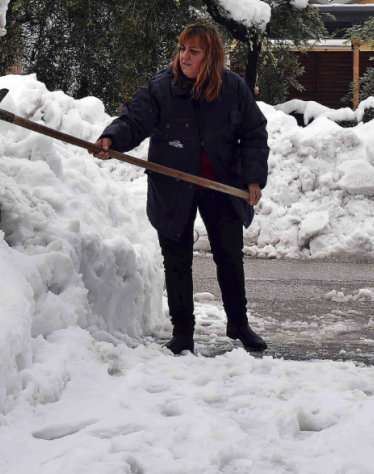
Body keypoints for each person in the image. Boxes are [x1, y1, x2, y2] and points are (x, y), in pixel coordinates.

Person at [90, 24, 269, 355]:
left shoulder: (233, 88)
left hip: (222, 184)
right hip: (173, 184)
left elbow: (254, 133)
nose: (184, 56)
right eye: (183, 49)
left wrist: (253, 178)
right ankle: (182, 330)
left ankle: (239, 324)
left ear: (211, 57)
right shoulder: (163, 87)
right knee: (177, 258)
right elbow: (134, 119)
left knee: (230, 256)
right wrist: (112, 138)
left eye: (194, 51)